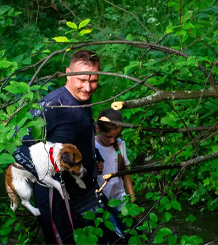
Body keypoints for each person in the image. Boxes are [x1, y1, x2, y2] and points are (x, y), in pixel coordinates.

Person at [12, 50, 103, 244]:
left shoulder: (84, 99)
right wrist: (45, 174)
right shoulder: (52, 105)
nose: (87, 87)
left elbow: (79, 134)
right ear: (68, 73)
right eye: (81, 80)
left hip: (83, 189)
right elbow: (15, 141)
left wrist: (95, 156)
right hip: (55, 196)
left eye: (93, 81)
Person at [95, 108, 136, 238]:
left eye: (116, 136)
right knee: (114, 235)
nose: (113, 141)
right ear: (97, 129)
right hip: (101, 201)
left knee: (132, 231)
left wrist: (132, 199)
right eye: (109, 136)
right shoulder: (91, 146)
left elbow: (125, 173)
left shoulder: (120, 145)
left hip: (120, 197)